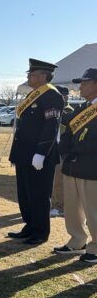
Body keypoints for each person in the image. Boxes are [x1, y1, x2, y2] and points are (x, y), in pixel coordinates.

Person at [8, 59, 63, 245]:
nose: (28, 77)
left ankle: (40, 231)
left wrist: (41, 152)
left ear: (43, 76)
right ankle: (29, 226)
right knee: (25, 193)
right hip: (24, 154)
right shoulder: (34, 95)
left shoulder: (51, 96)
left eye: (31, 74)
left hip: (39, 156)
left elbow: (51, 126)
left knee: (38, 194)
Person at [54, 68, 97, 262]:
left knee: (93, 210)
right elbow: (68, 133)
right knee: (72, 208)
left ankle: (95, 248)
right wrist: (66, 150)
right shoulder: (82, 108)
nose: (80, 87)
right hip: (72, 167)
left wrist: (76, 150)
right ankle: (77, 240)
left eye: (85, 83)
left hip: (91, 168)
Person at [50, 86, 73, 218]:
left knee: (58, 181)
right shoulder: (55, 109)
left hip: (61, 151)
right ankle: (54, 205)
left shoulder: (67, 111)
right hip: (52, 149)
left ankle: (60, 207)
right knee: (52, 181)